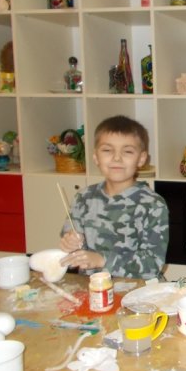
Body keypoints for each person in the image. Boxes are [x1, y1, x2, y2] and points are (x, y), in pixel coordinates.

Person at [59, 115, 169, 280]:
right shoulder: (83, 198)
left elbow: (153, 265)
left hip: (140, 291)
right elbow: (70, 243)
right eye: (107, 150)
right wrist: (70, 243)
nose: (117, 158)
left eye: (127, 151)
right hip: (94, 288)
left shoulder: (153, 204)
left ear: (141, 159)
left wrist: (102, 260)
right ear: (95, 157)